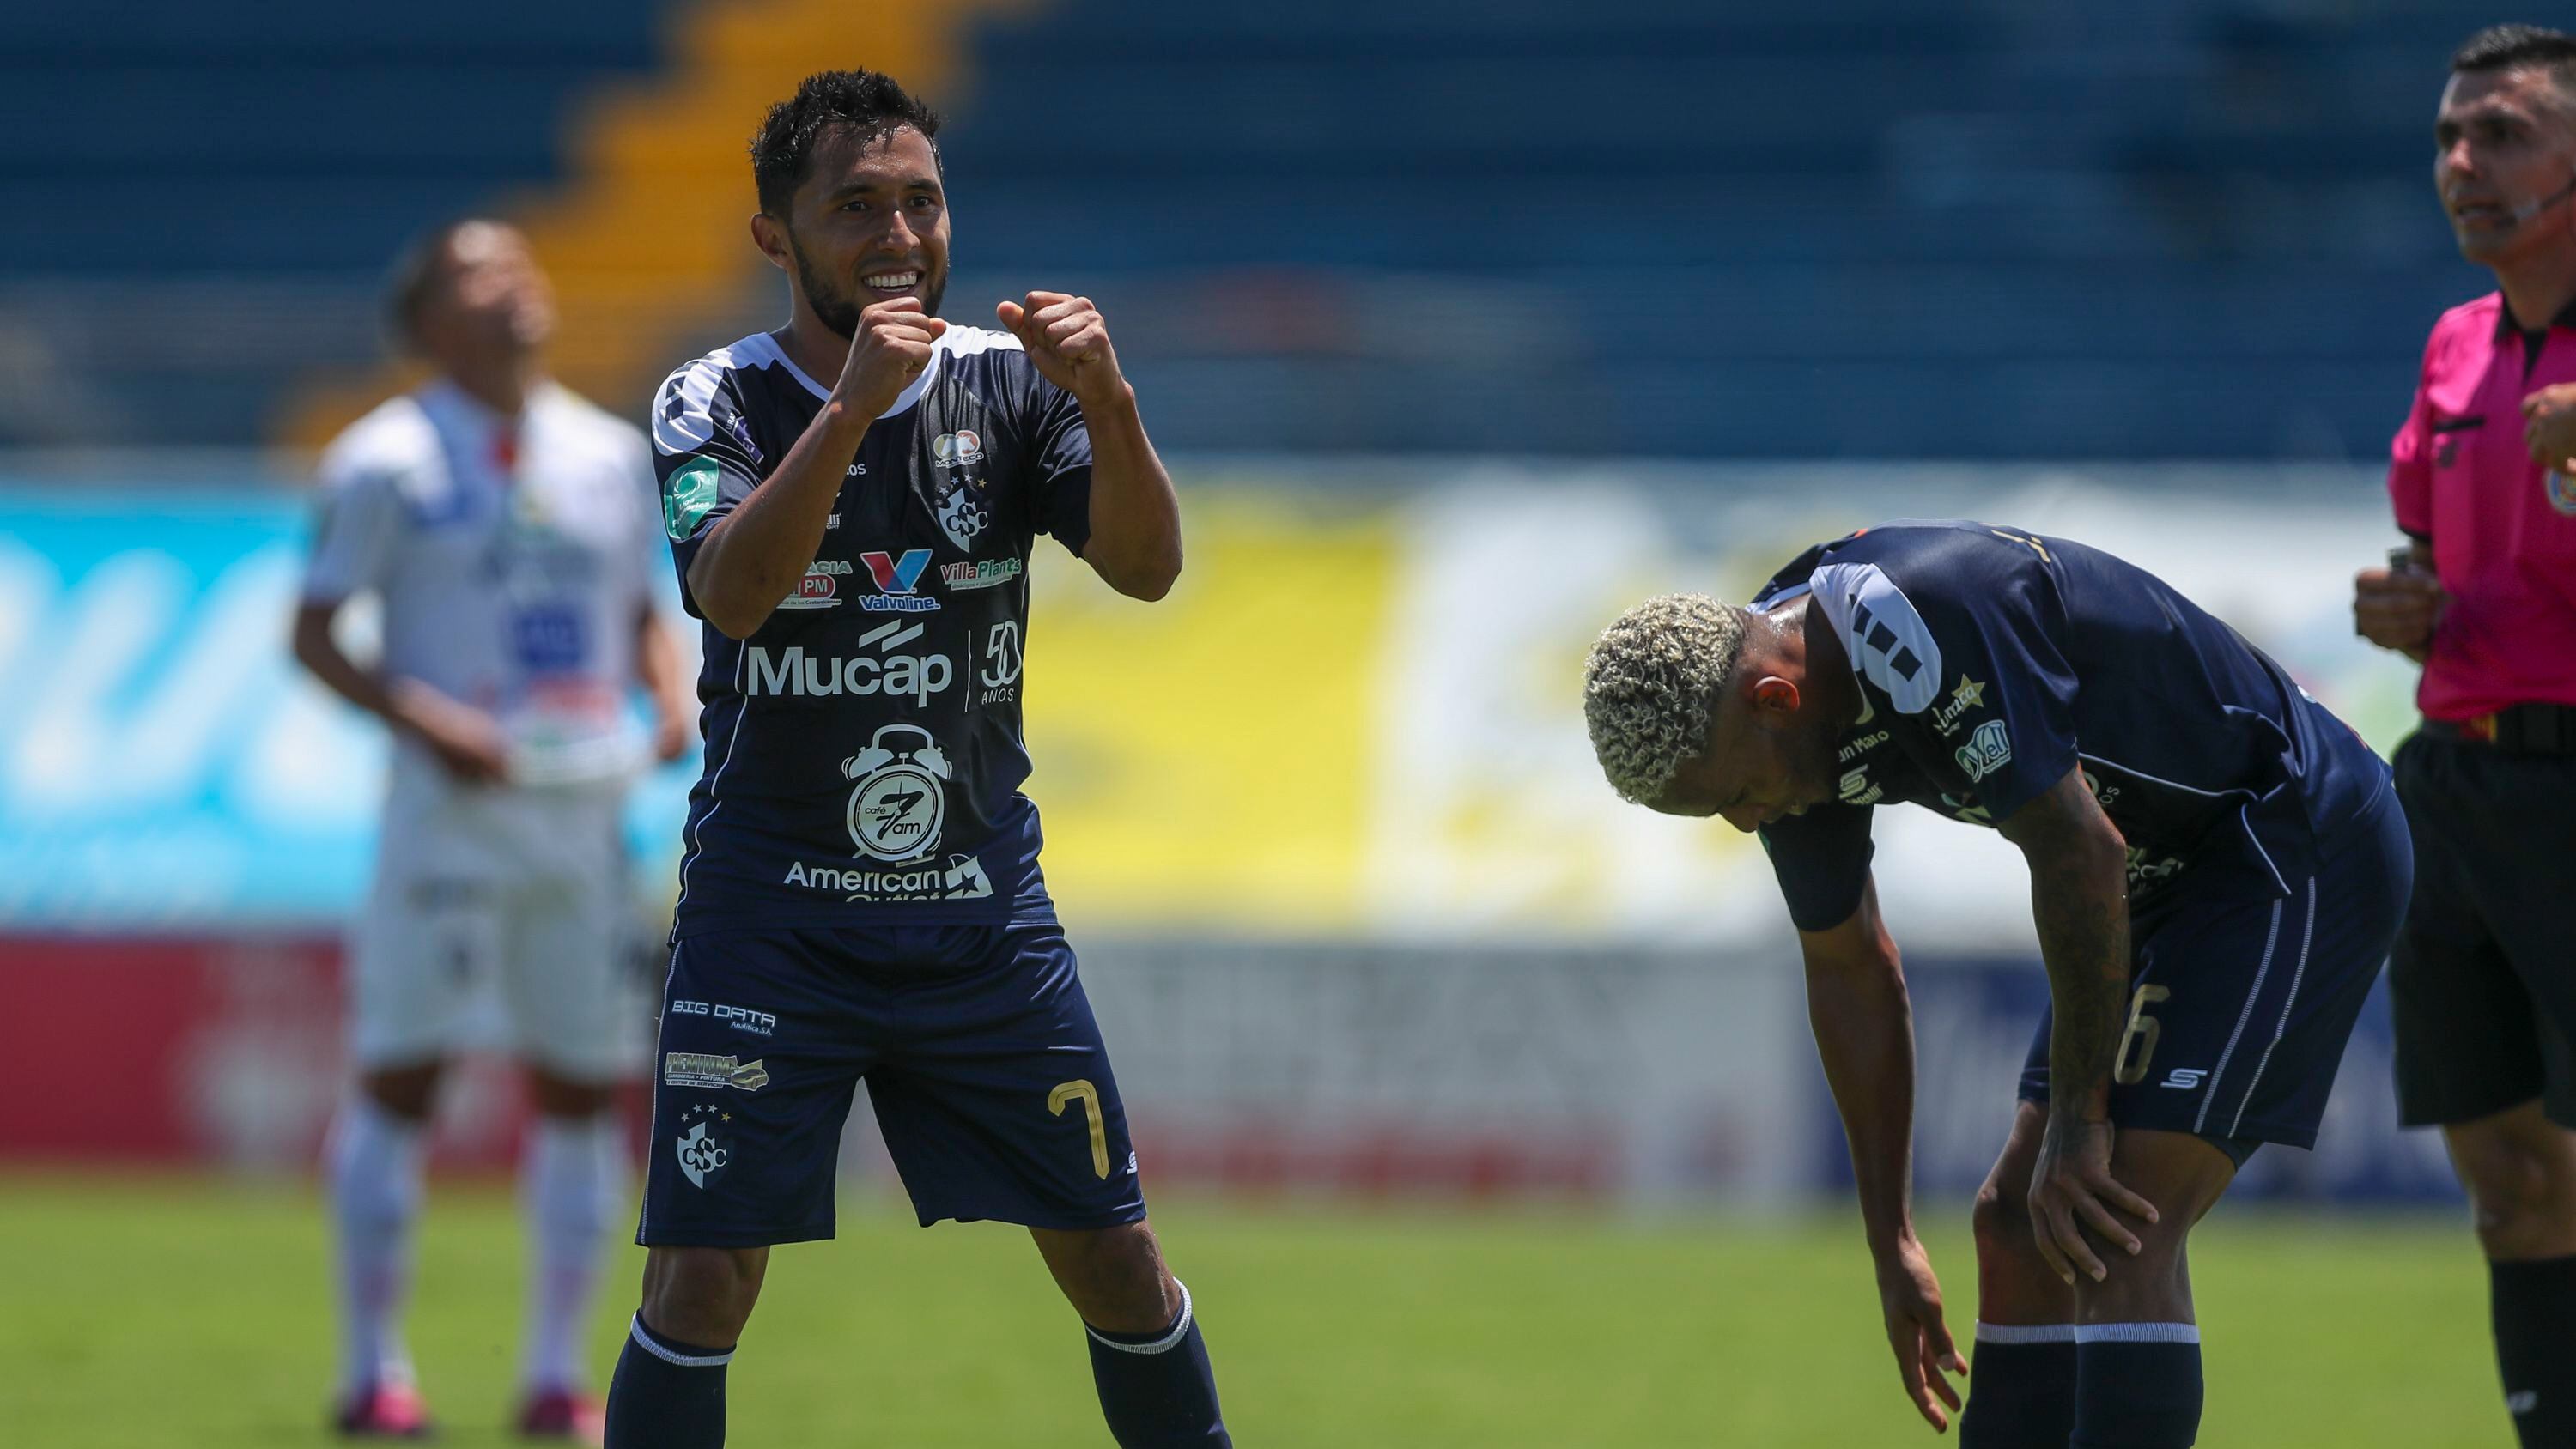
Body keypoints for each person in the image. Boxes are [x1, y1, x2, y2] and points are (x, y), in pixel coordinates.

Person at [601, 70, 1226, 1448]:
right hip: (771, 922)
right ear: (775, 237)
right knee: (702, 1282)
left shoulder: (1011, 386)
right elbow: (734, 595)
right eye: (856, 207)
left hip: (977, 918)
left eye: (921, 203)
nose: (899, 235)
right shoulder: (712, 396)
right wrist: (849, 412)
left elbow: (1147, 568)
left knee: (1118, 1260)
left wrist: (1110, 398)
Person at [1583, 522, 2408, 1447]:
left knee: (2108, 1223)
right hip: (2153, 868)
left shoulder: (1921, 624)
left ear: (1773, 697)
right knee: (2016, 1225)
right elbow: (1850, 967)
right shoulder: (1778, 723)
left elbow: (2080, 849)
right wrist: (1891, 1240)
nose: (1747, 823)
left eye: (1736, 796)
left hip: (2288, 835)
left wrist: (2081, 1122)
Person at [294, 219, 696, 1439]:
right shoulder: (382, 460)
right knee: (403, 1075)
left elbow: (637, 607)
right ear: (427, 321)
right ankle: (373, 1371)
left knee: (581, 1087)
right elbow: (313, 634)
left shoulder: (609, 452)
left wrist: (669, 693)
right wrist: (430, 722)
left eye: (521, 267)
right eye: (479, 274)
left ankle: (556, 1377)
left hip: (582, 818)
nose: (513, 286)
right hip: (449, 820)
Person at [2354, 24, 2576, 1447]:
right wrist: (2406, 602)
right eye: (2449, 135)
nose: (2461, 163)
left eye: (2502, 134)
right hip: (2457, 783)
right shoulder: (2456, 346)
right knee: (2509, 1176)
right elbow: (2431, 550)